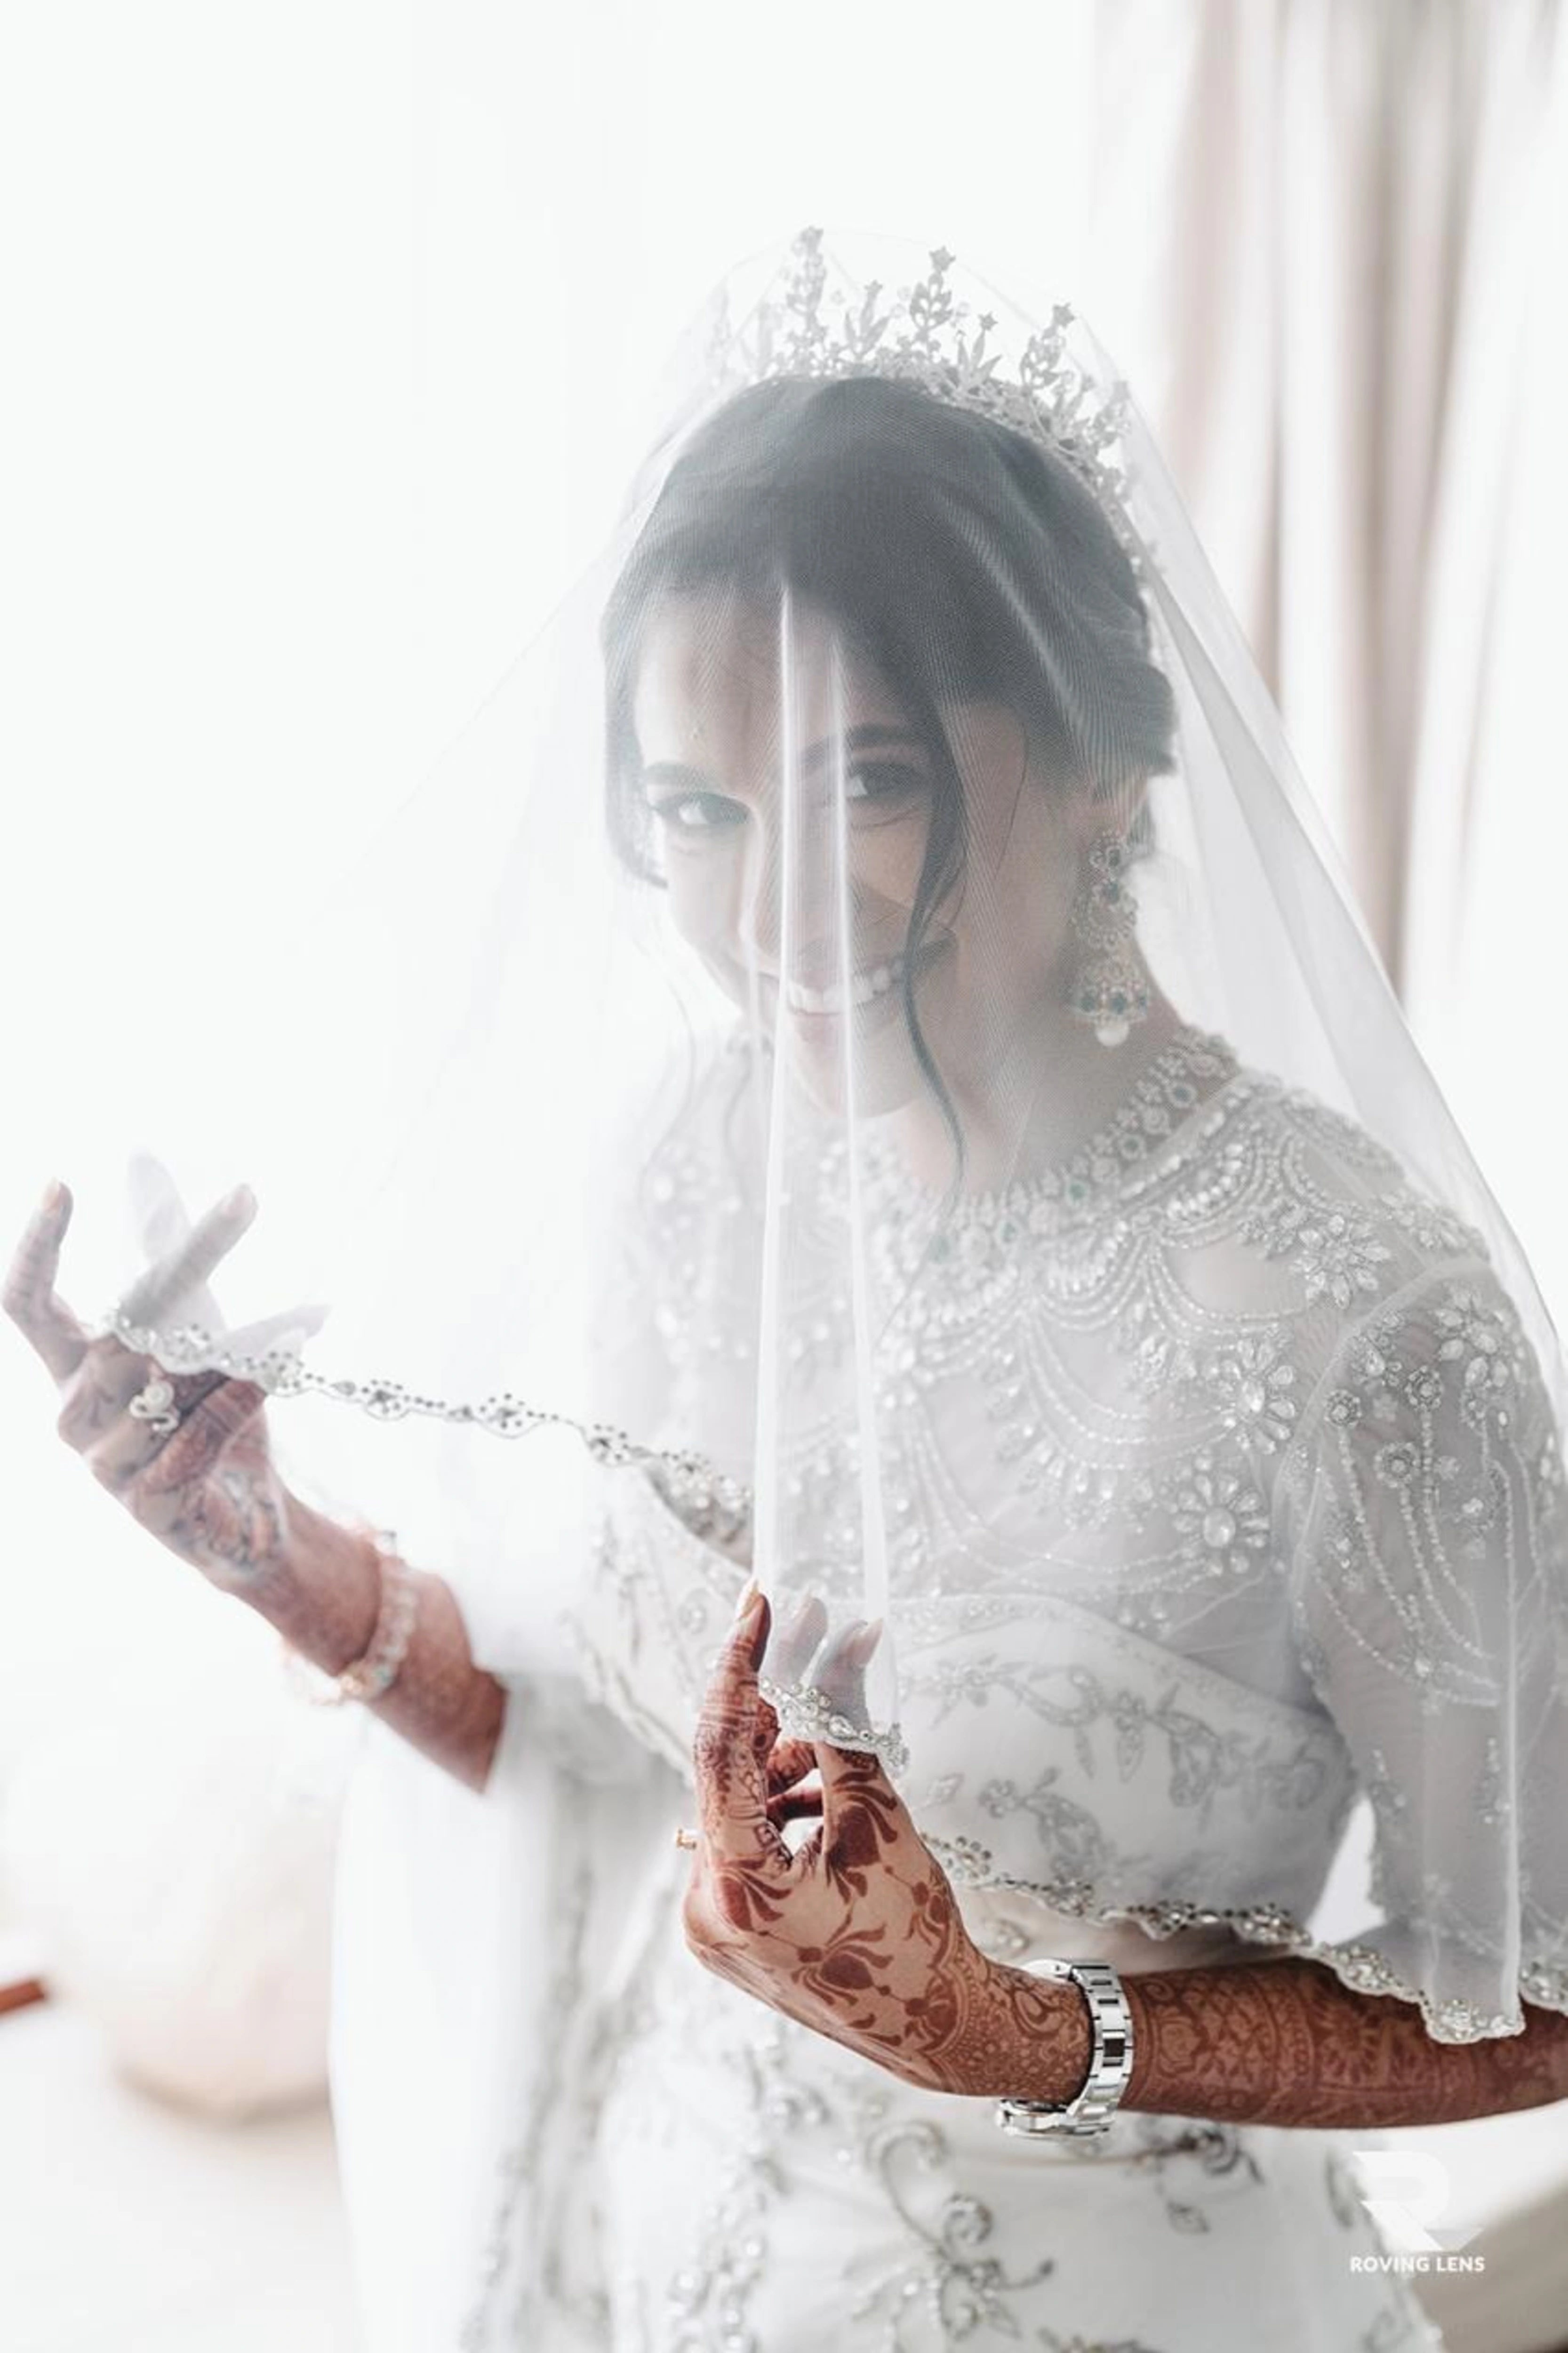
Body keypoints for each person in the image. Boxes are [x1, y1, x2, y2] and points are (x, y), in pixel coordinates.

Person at [10, 225, 1568, 2352]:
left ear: (1106, 763)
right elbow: (605, 1752)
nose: (765, 906)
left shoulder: (1361, 1324)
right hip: (649, 2258)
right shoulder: (684, 1163)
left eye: (870, 779)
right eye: (697, 806)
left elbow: (1537, 1984)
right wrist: (269, 1552)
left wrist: (1026, 2026)